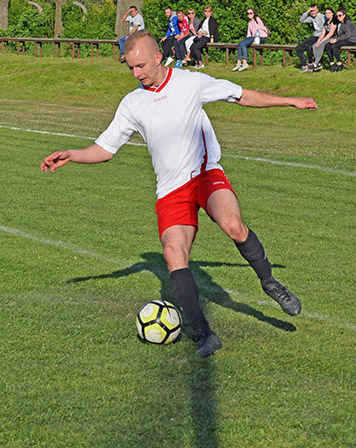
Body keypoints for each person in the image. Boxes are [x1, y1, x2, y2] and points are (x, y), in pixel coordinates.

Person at [40, 30, 316, 357]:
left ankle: (270, 282)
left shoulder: (190, 83)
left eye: (141, 65)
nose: (136, 73)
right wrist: (72, 154)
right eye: (130, 68)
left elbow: (241, 95)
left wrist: (291, 101)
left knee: (233, 225)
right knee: (173, 253)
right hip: (170, 190)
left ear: (158, 57)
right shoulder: (132, 103)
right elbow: (105, 149)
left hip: (204, 174)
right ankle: (204, 336)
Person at [304, 7, 338, 73]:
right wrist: (318, 41)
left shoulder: (334, 22)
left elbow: (330, 34)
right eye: (326, 13)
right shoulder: (326, 22)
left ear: (332, 14)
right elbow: (323, 33)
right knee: (314, 45)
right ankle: (318, 63)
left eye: (329, 13)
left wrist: (321, 41)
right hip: (327, 37)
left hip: (333, 37)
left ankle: (316, 63)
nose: (327, 14)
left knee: (321, 45)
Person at [296, 4, 326, 72]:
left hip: (321, 36)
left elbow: (327, 28)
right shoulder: (311, 18)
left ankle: (311, 64)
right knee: (298, 48)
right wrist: (307, 11)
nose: (313, 12)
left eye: (314, 10)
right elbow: (301, 20)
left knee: (309, 46)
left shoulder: (322, 17)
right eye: (311, 11)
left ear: (317, 10)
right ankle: (304, 66)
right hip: (315, 36)